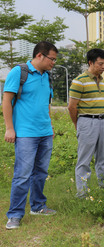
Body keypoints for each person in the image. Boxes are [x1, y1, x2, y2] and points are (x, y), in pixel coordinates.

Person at [3, 41, 58, 230]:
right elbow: (6, 100)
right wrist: (10, 128)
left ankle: (38, 206)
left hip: (45, 133)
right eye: (52, 59)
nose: (53, 63)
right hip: (25, 133)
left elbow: (46, 103)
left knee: (41, 172)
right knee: (22, 175)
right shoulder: (19, 72)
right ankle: (15, 215)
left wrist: (49, 124)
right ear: (40, 55)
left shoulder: (48, 76)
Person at [68, 49, 104, 198]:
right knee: (84, 160)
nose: (103, 66)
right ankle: (82, 193)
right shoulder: (79, 81)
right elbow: (72, 106)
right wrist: (77, 123)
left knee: (102, 158)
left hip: (102, 121)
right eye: (100, 63)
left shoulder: (103, 82)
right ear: (90, 62)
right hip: (87, 121)